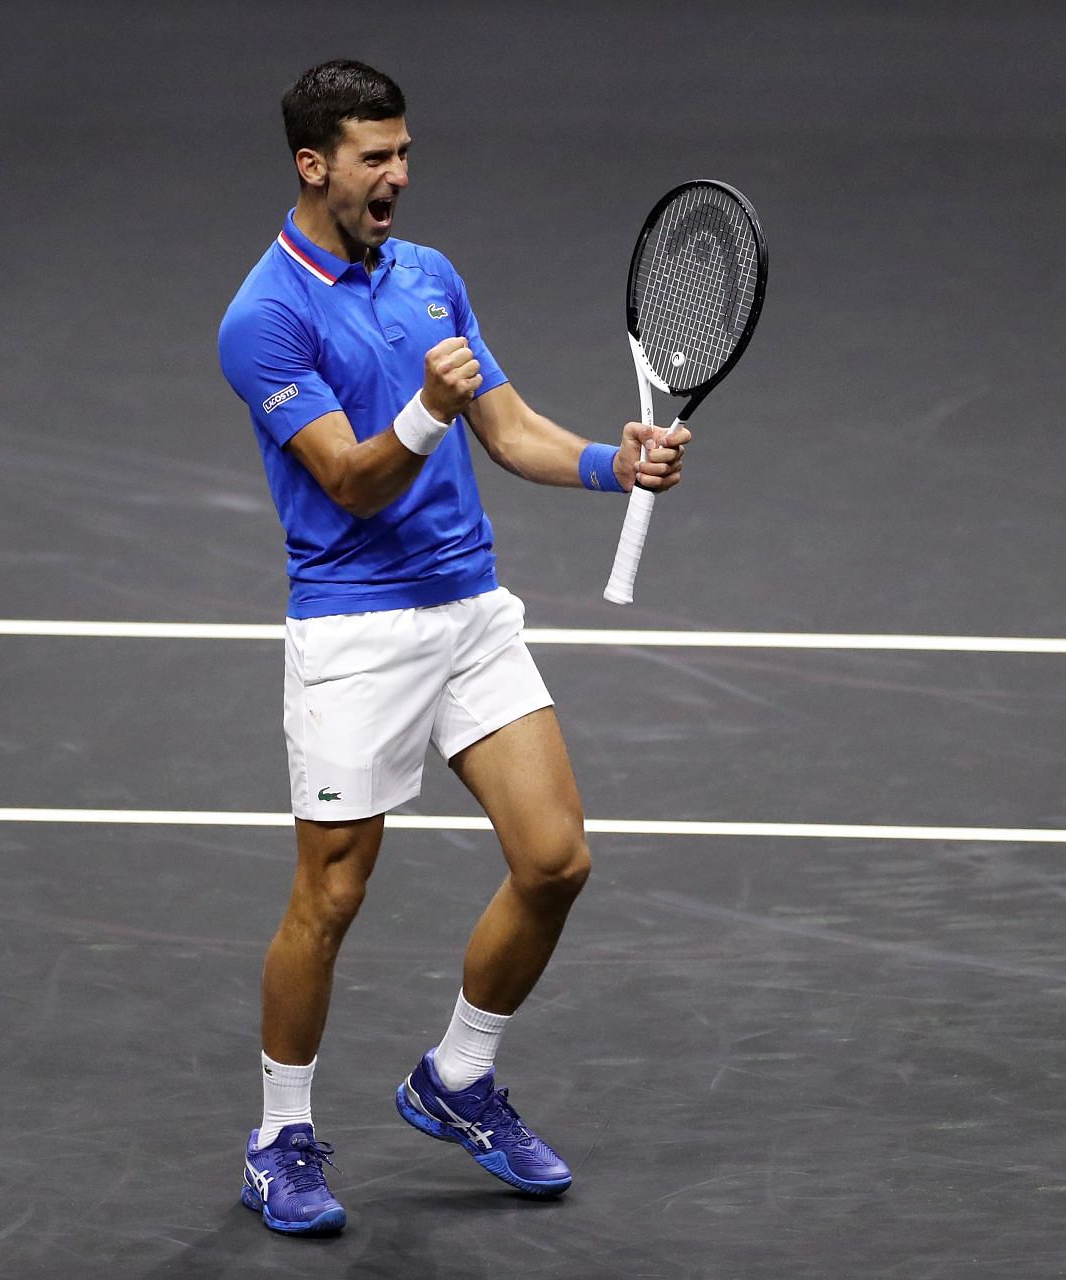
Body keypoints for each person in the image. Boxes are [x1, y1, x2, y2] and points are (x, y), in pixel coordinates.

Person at [217, 59, 689, 1236]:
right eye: (375, 158)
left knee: (556, 859)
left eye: (405, 152)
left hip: (470, 610)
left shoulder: (431, 276)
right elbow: (351, 480)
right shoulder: (263, 317)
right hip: (354, 629)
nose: (398, 178)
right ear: (312, 165)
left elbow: (512, 424)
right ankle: (280, 1134)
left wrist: (608, 462)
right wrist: (425, 407)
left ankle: (458, 1075)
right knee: (330, 895)